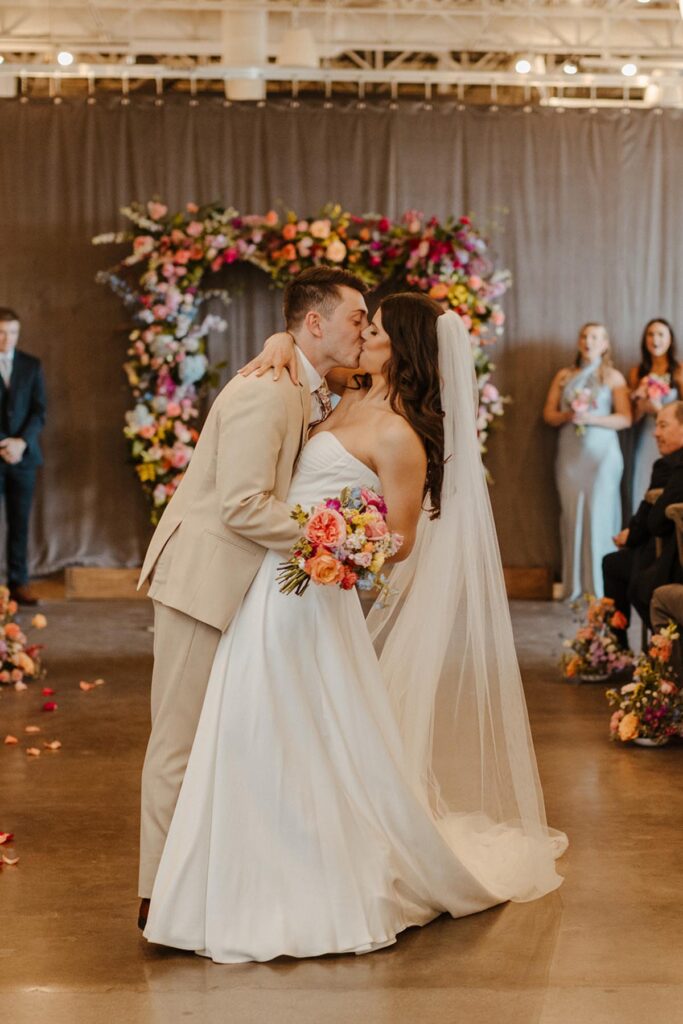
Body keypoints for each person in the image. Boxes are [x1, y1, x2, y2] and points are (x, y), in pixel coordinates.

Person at [143, 295, 566, 964]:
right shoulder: (336, 397)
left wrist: (342, 541)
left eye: (373, 330)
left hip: (313, 593)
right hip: (270, 586)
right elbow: (299, 360)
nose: (361, 335)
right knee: (247, 727)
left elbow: (398, 541)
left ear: (399, 345)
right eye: (359, 324)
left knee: (297, 730)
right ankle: (222, 873)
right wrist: (281, 343)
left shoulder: (398, 433)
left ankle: (297, 878)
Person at [136, 267, 369, 930]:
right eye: (356, 317)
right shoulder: (268, 391)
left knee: (216, 742)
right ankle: (154, 899)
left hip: (242, 586)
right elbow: (242, 506)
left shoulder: (301, 381)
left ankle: (193, 889)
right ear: (316, 323)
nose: (363, 329)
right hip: (202, 581)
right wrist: (330, 539)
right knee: (177, 742)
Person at [543, 323, 631, 601]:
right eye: (584, 336)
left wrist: (592, 419)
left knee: (600, 515)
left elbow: (625, 418)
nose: (588, 341)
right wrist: (569, 415)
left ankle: (603, 588)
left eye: (595, 337)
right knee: (572, 516)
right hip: (571, 455)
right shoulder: (564, 375)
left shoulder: (613, 377)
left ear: (605, 344)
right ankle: (575, 586)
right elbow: (548, 415)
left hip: (603, 456)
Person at [602, 402, 683, 646]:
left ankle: (662, 656)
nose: (655, 433)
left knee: (641, 587)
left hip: (669, 554)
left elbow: (654, 521)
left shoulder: (671, 465)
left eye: (663, 425)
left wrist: (631, 535)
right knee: (617, 565)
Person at [0, 309, 47, 606]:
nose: (7, 339)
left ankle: (19, 584)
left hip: (24, 459)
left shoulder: (31, 365)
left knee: (19, 524)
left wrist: (20, 443)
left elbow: (39, 411)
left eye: (13, 332)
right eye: (2, 332)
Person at [628, 319, 680, 514]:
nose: (655, 339)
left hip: (673, 438)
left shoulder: (679, 371)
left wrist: (659, 409)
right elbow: (632, 419)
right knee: (643, 481)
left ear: (670, 339)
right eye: (650, 334)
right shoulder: (637, 372)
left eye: (660, 334)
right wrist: (641, 400)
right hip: (646, 436)